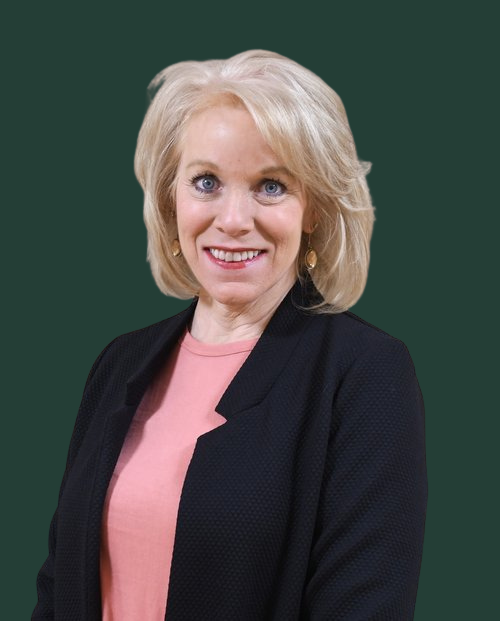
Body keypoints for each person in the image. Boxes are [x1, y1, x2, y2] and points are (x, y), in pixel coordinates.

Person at [32, 50, 427, 620]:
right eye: (206, 182)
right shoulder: (119, 363)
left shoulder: (365, 374)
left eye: (271, 186)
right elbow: (59, 586)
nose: (234, 219)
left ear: (313, 208)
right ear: (171, 199)